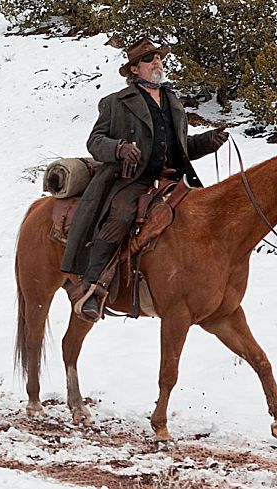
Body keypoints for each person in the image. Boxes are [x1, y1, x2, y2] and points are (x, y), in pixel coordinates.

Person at [62, 38, 230, 321]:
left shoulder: (172, 101)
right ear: (134, 69)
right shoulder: (115, 103)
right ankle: (93, 287)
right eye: (149, 58)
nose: (157, 62)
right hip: (133, 181)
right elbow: (95, 142)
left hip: (174, 180)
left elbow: (179, 147)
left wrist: (207, 141)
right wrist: (119, 149)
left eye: (159, 57)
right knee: (120, 218)